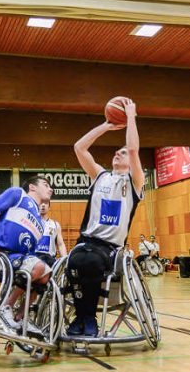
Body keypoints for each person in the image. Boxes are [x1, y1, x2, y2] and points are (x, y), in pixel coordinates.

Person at [67, 98, 145, 337]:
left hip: (110, 248)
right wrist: (107, 126)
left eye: (121, 153)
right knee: (74, 261)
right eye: (116, 152)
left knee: (89, 263)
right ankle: (83, 317)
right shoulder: (99, 176)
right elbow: (79, 147)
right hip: (86, 241)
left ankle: (86, 318)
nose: (118, 154)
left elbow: (133, 149)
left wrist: (130, 116)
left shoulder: (134, 183)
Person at [0, 175, 54, 335]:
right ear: (32, 187)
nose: (50, 189)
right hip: (0, 256)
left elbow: (31, 253)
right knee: (39, 266)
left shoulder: (40, 223)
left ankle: (21, 317)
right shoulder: (18, 194)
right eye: (46, 184)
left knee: (45, 274)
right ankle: (6, 306)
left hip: (19, 261)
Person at [35, 199, 67, 268]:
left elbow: (61, 244)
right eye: (41, 203)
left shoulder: (55, 225)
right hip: (34, 258)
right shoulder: (31, 222)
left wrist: (65, 260)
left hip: (49, 260)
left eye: (46, 203)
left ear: (49, 207)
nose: (43, 205)